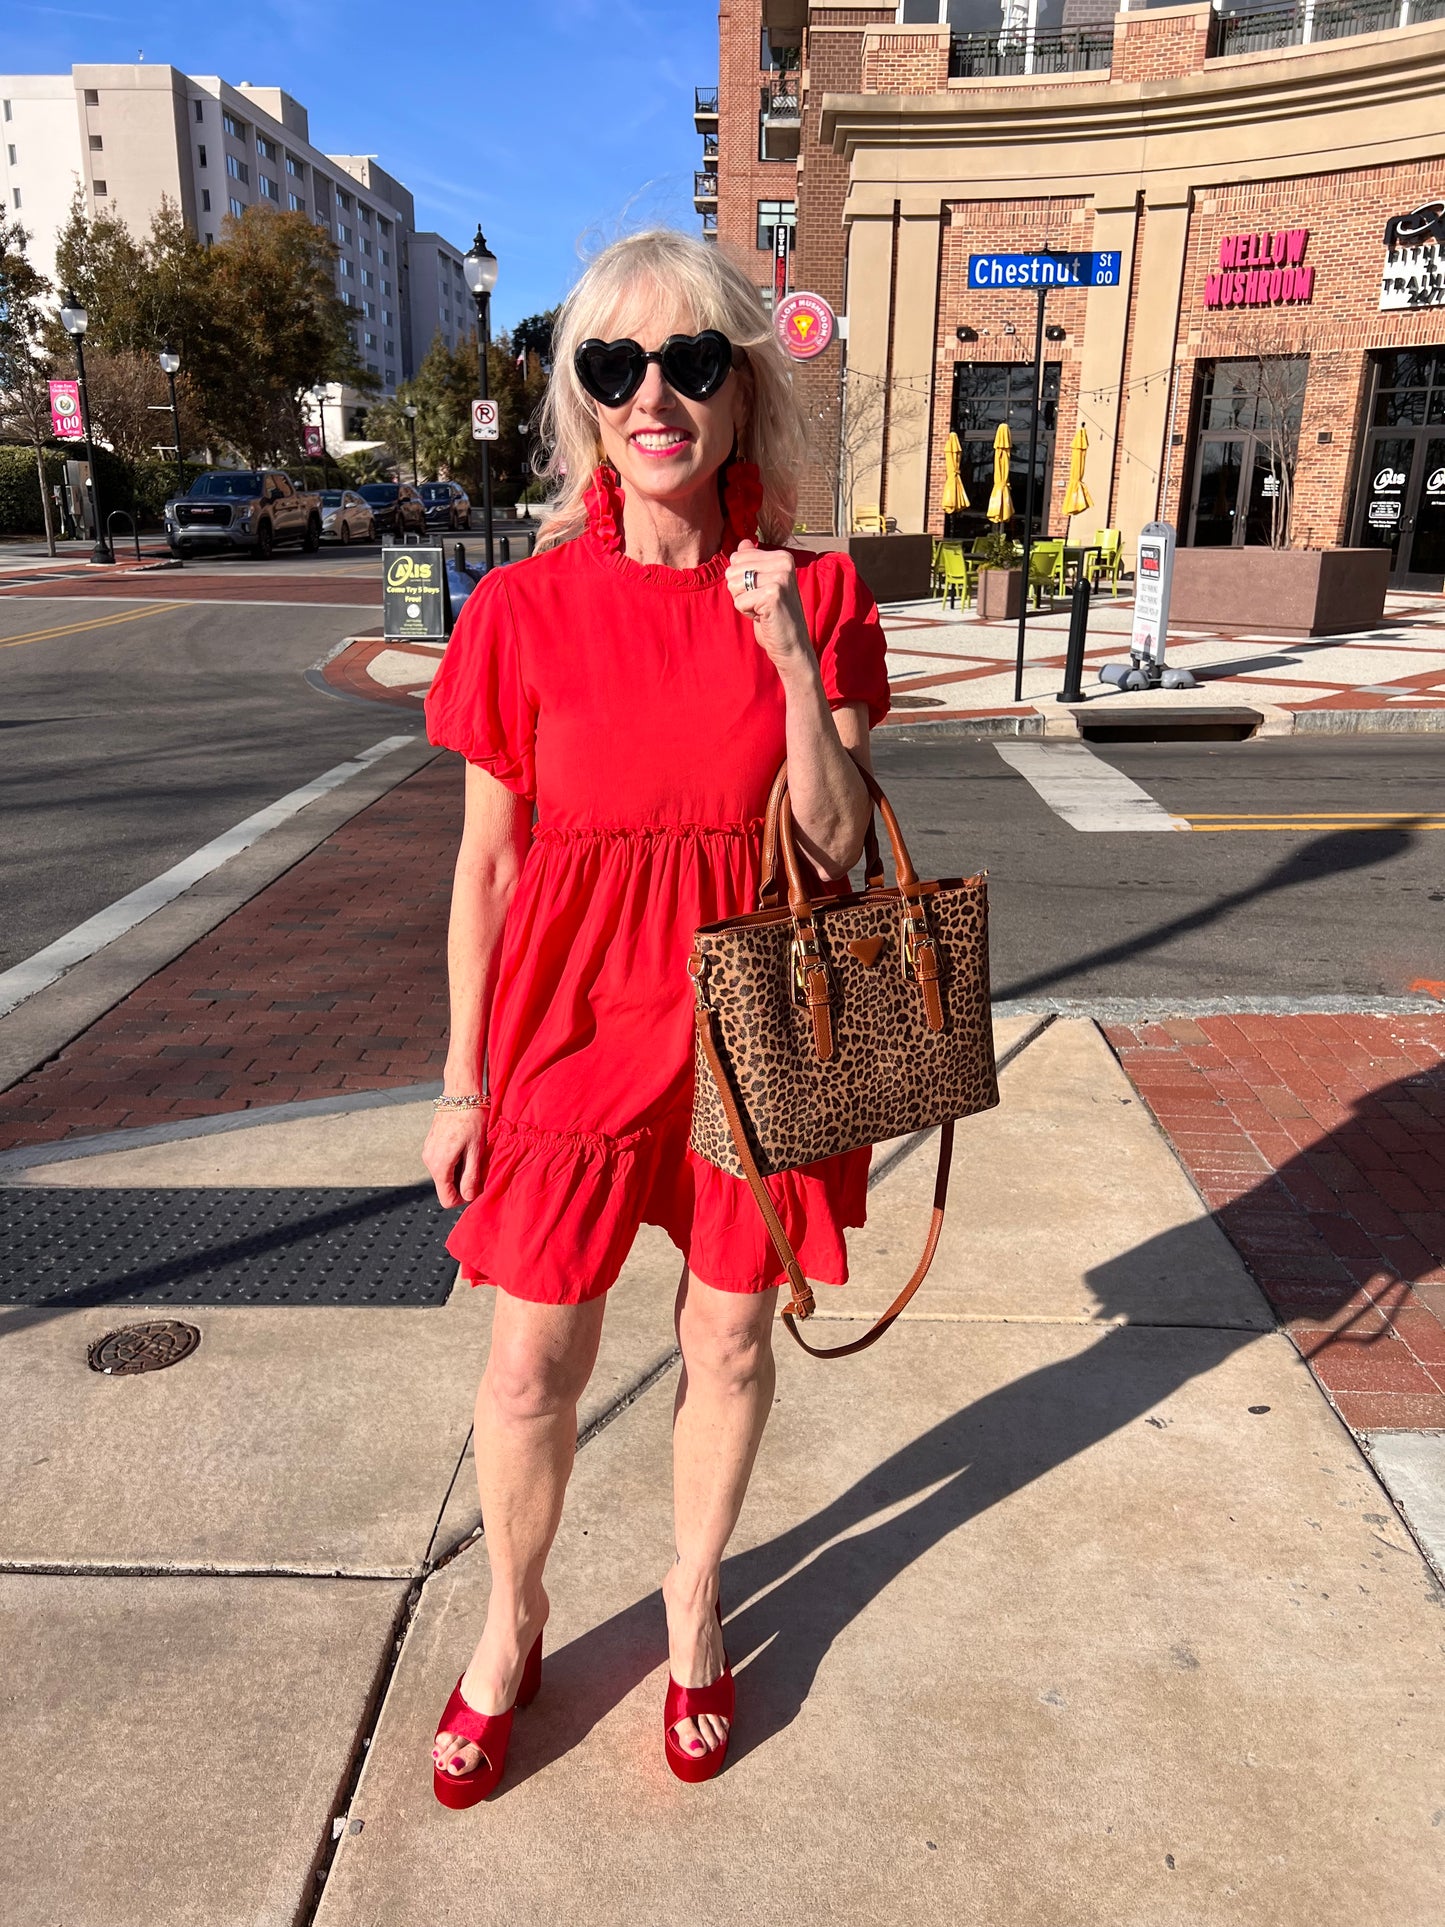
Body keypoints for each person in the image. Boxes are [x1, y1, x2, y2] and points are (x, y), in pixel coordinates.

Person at [421, 228, 890, 1806]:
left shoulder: (816, 594)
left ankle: (693, 1613)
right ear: (580, 402)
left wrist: (780, 648)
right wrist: (460, 1080)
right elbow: (487, 865)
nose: (653, 399)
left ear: (741, 387)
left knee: (731, 1339)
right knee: (524, 1366)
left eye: (689, 363)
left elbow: (832, 844)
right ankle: (514, 1621)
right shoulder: (519, 611)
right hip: (570, 1019)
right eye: (613, 368)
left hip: (759, 1003)